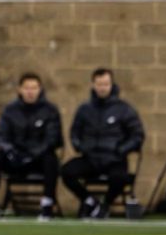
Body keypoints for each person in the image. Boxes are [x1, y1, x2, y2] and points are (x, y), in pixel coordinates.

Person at [61, 68, 145, 218]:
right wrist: (79, 146)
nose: (102, 88)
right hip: (90, 158)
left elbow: (137, 135)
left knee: (120, 177)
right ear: (93, 84)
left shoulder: (124, 109)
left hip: (114, 158)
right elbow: (74, 131)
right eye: (99, 84)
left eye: (106, 84)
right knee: (66, 171)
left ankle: (105, 204)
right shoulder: (84, 109)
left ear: (111, 84)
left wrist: (121, 150)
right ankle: (89, 201)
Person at [0, 73, 62, 220]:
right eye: (27, 88)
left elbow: (53, 138)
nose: (30, 92)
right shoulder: (10, 110)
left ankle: (47, 204)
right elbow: (3, 136)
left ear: (40, 89)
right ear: (20, 89)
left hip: (38, 159)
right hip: (16, 158)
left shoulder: (50, 110)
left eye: (34, 88)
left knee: (51, 159)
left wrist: (34, 154)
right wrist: (11, 152)